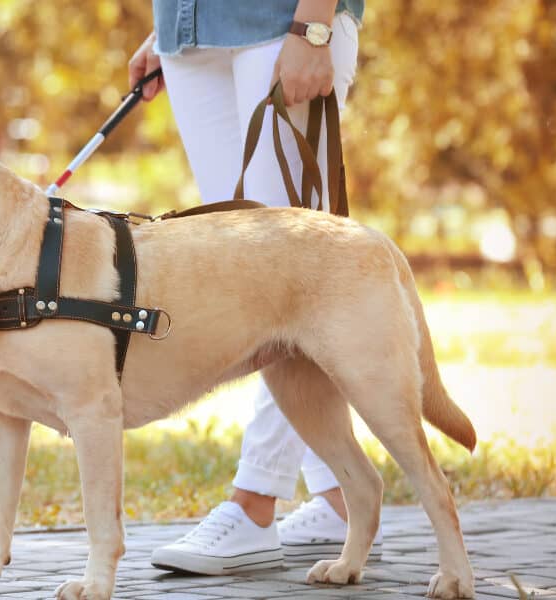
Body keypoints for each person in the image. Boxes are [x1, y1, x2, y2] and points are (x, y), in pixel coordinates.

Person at [128, 0, 378, 575]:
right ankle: (342, 501)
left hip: (282, 22)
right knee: (245, 278)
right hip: (193, 37)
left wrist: (315, 27)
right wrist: (181, 22)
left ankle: (255, 500)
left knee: (289, 278)